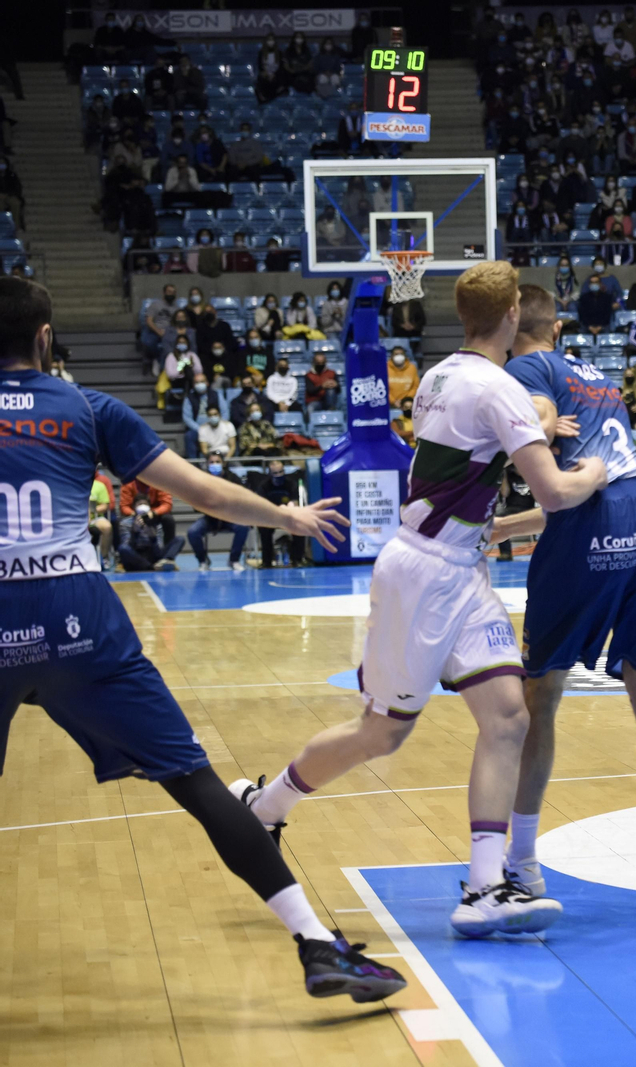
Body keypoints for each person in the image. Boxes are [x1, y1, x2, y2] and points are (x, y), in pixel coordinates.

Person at [0, 275, 402, 999]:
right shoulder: (89, 408)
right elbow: (208, 495)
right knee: (196, 782)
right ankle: (317, 945)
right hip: (79, 622)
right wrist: (288, 517)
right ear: (45, 338)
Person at [232, 263, 605, 938]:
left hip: (461, 567)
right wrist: (595, 474)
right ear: (512, 314)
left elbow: (485, 436)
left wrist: (540, 427)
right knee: (383, 732)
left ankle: (485, 887)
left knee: (508, 718)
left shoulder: (439, 375)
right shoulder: (494, 386)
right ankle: (263, 806)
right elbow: (552, 491)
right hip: (427, 574)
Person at [500, 284, 636, 912]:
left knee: (541, 695)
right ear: (559, 327)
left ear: (515, 325)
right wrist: (504, 528)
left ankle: (521, 865)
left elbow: (542, 430)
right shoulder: (598, 380)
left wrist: (532, 427)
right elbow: (596, 483)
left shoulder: (526, 367)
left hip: (589, 526)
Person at [186, 450, 251, 571]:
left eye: (217, 462)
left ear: (223, 463)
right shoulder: (202, 479)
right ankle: (203, 561)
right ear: (207, 464)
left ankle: (234, 560)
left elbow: (242, 497)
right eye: (212, 462)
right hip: (210, 518)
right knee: (193, 532)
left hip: (229, 517)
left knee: (243, 527)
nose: (214, 464)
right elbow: (195, 503)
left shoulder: (232, 478)